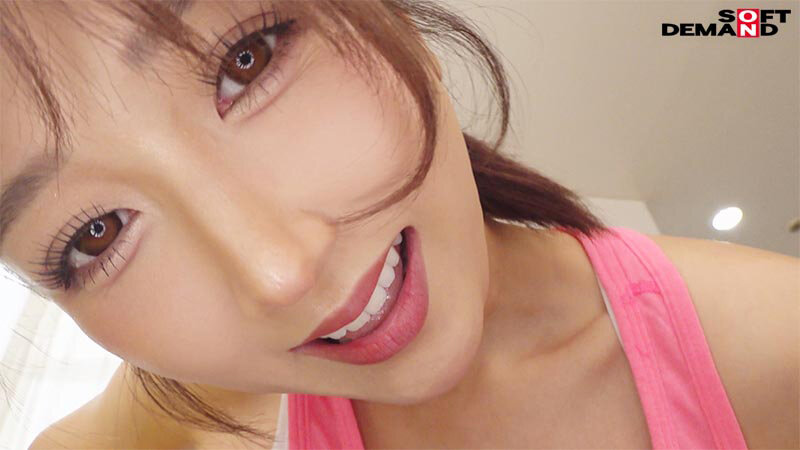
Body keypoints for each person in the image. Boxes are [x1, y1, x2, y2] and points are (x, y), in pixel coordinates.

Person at [0, 1, 796, 449]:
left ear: (397, 23)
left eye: (248, 60)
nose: (279, 274)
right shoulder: (188, 414)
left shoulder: (776, 346)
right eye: (95, 234)